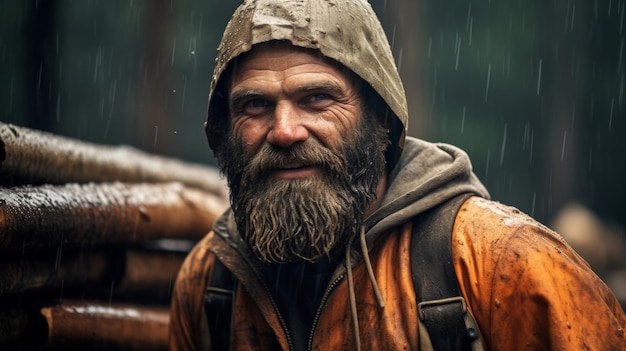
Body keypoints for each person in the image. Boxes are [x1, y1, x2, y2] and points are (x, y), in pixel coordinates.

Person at [169, 0, 626, 350]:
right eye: (255, 105)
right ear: (223, 130)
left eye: (317, 99)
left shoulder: (503, 264)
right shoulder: (209, 285)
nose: (285, 131)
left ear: (381, 119)